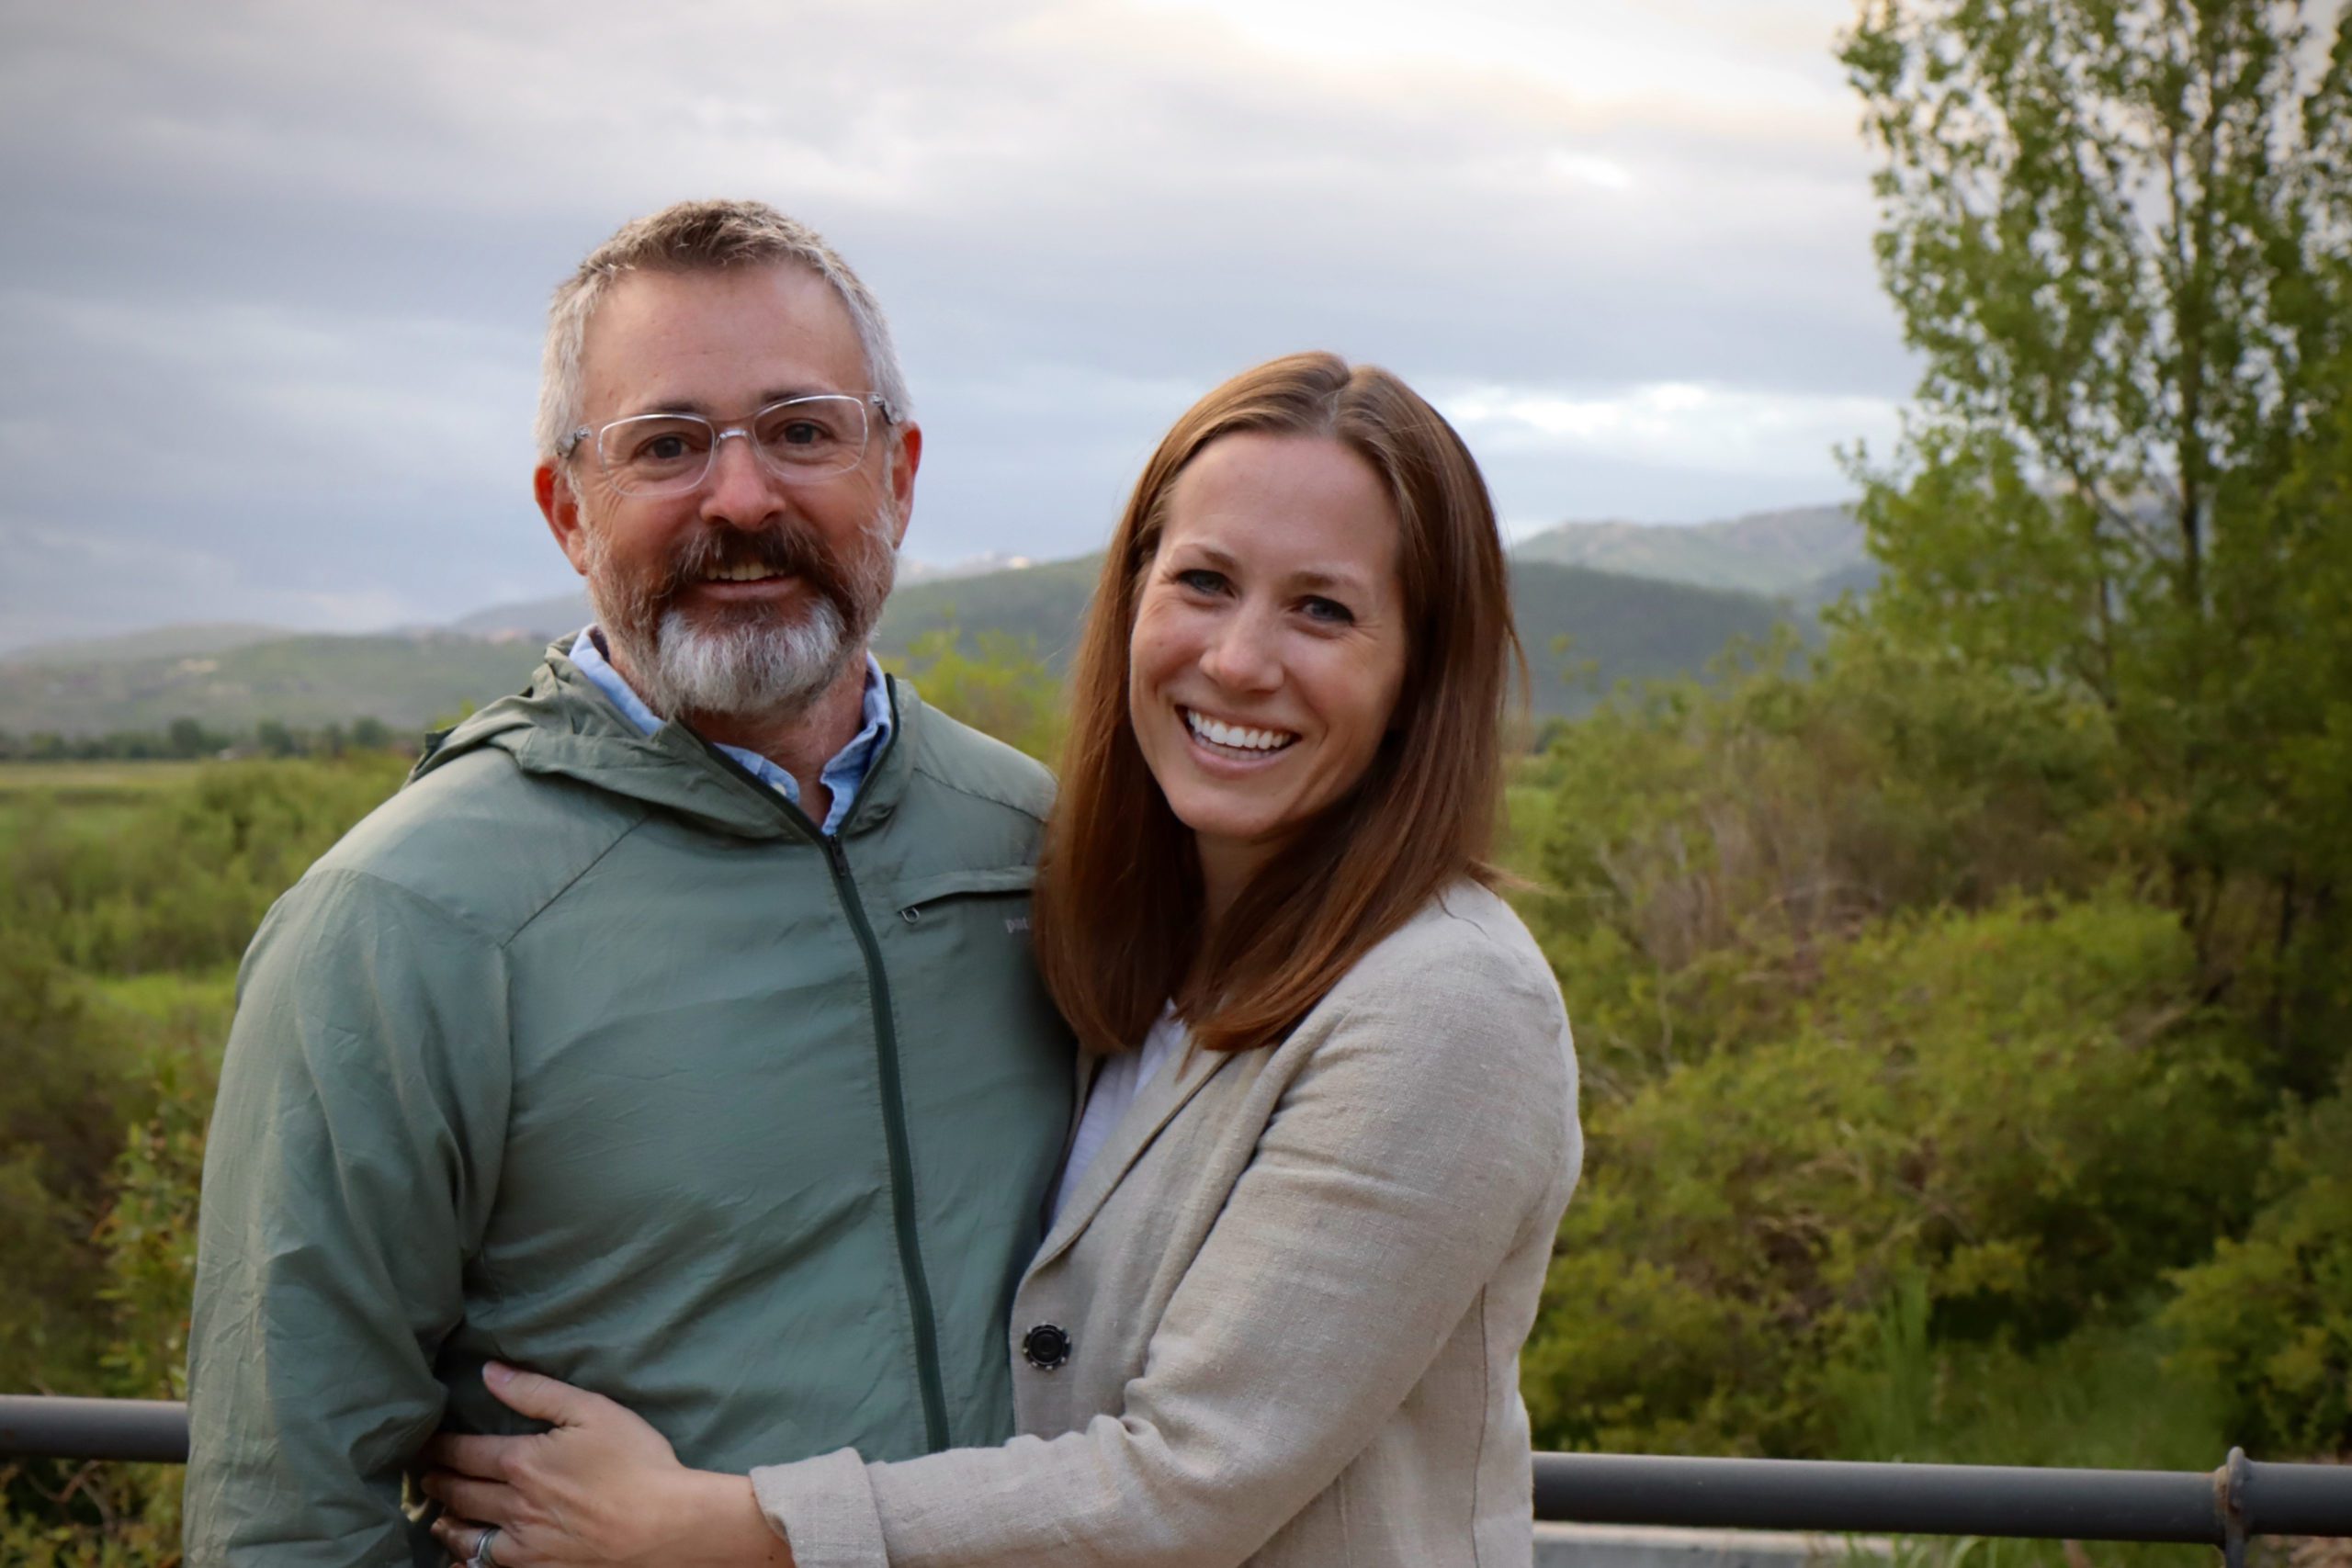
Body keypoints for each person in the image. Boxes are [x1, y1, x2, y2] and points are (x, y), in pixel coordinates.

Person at [421, 352, 1584, 1568]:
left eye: (1324, 609)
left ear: (1418, 674)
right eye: (1203, 582)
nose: (1239, 661)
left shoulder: (1449, 1001)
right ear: (1132, 602)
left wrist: (714, 1526)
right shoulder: (1135, 938)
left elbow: (1185, 1484)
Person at [182, 200, 1075, 1566]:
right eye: (665, 446)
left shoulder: (1035, 844)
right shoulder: (405, 919)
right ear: (565, 509)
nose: (741, 497)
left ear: (896, 472)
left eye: (801, 430)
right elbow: (285, 1509)